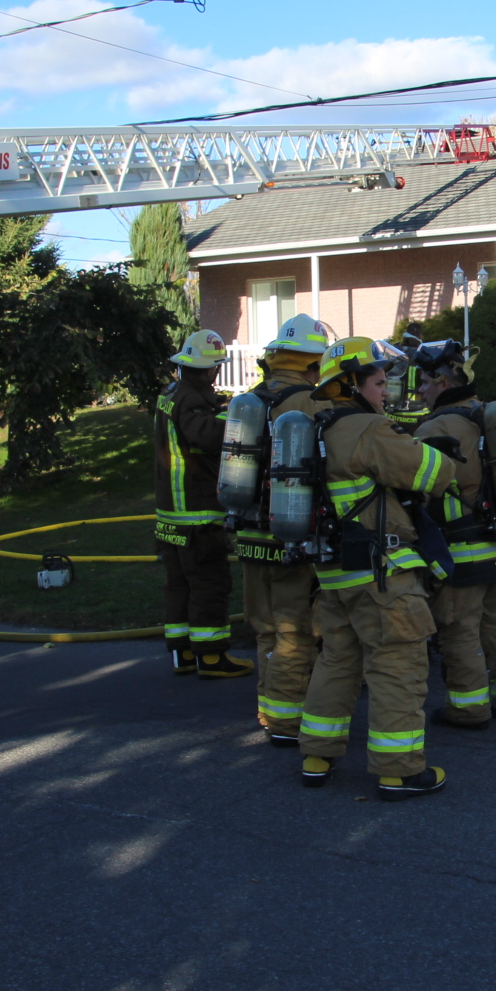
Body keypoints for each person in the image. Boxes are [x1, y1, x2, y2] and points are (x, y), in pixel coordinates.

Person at [296, 337, 458, 801]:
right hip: (381, 575)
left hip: (337, 576)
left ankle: (316, 754)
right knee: (398, 665)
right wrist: (436, 450)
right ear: (351, 384)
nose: (385, 391)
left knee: (337, 662)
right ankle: (399, 770)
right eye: (379, 381)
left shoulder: (321, 427)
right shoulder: (367, 429)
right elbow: (434, 474)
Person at [413, 340, 496, 729]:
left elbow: (421, 488)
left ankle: (468, 710)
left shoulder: (436, 427)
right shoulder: (488, 417)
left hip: (462, 550)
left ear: (443, 384)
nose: (419, 391)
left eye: (424, 383)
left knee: (459, 629)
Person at [233, 314, 331, 746]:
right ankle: (289, 722)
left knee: (265, 626)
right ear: (313, 364)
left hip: (249, 531)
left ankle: (269, 710)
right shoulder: (310, 403)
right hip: (290, 534)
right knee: (294, 630)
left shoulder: (248, 400)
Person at [153, 329, 253, 679]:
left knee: (179, 585)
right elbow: (205, 436)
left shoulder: (171, 393)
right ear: (209, 369)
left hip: (170, 517)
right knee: (209, 583)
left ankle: (183, 655)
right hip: (196, 514)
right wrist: (234, 415)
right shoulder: (192, 400)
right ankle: (211, 658)